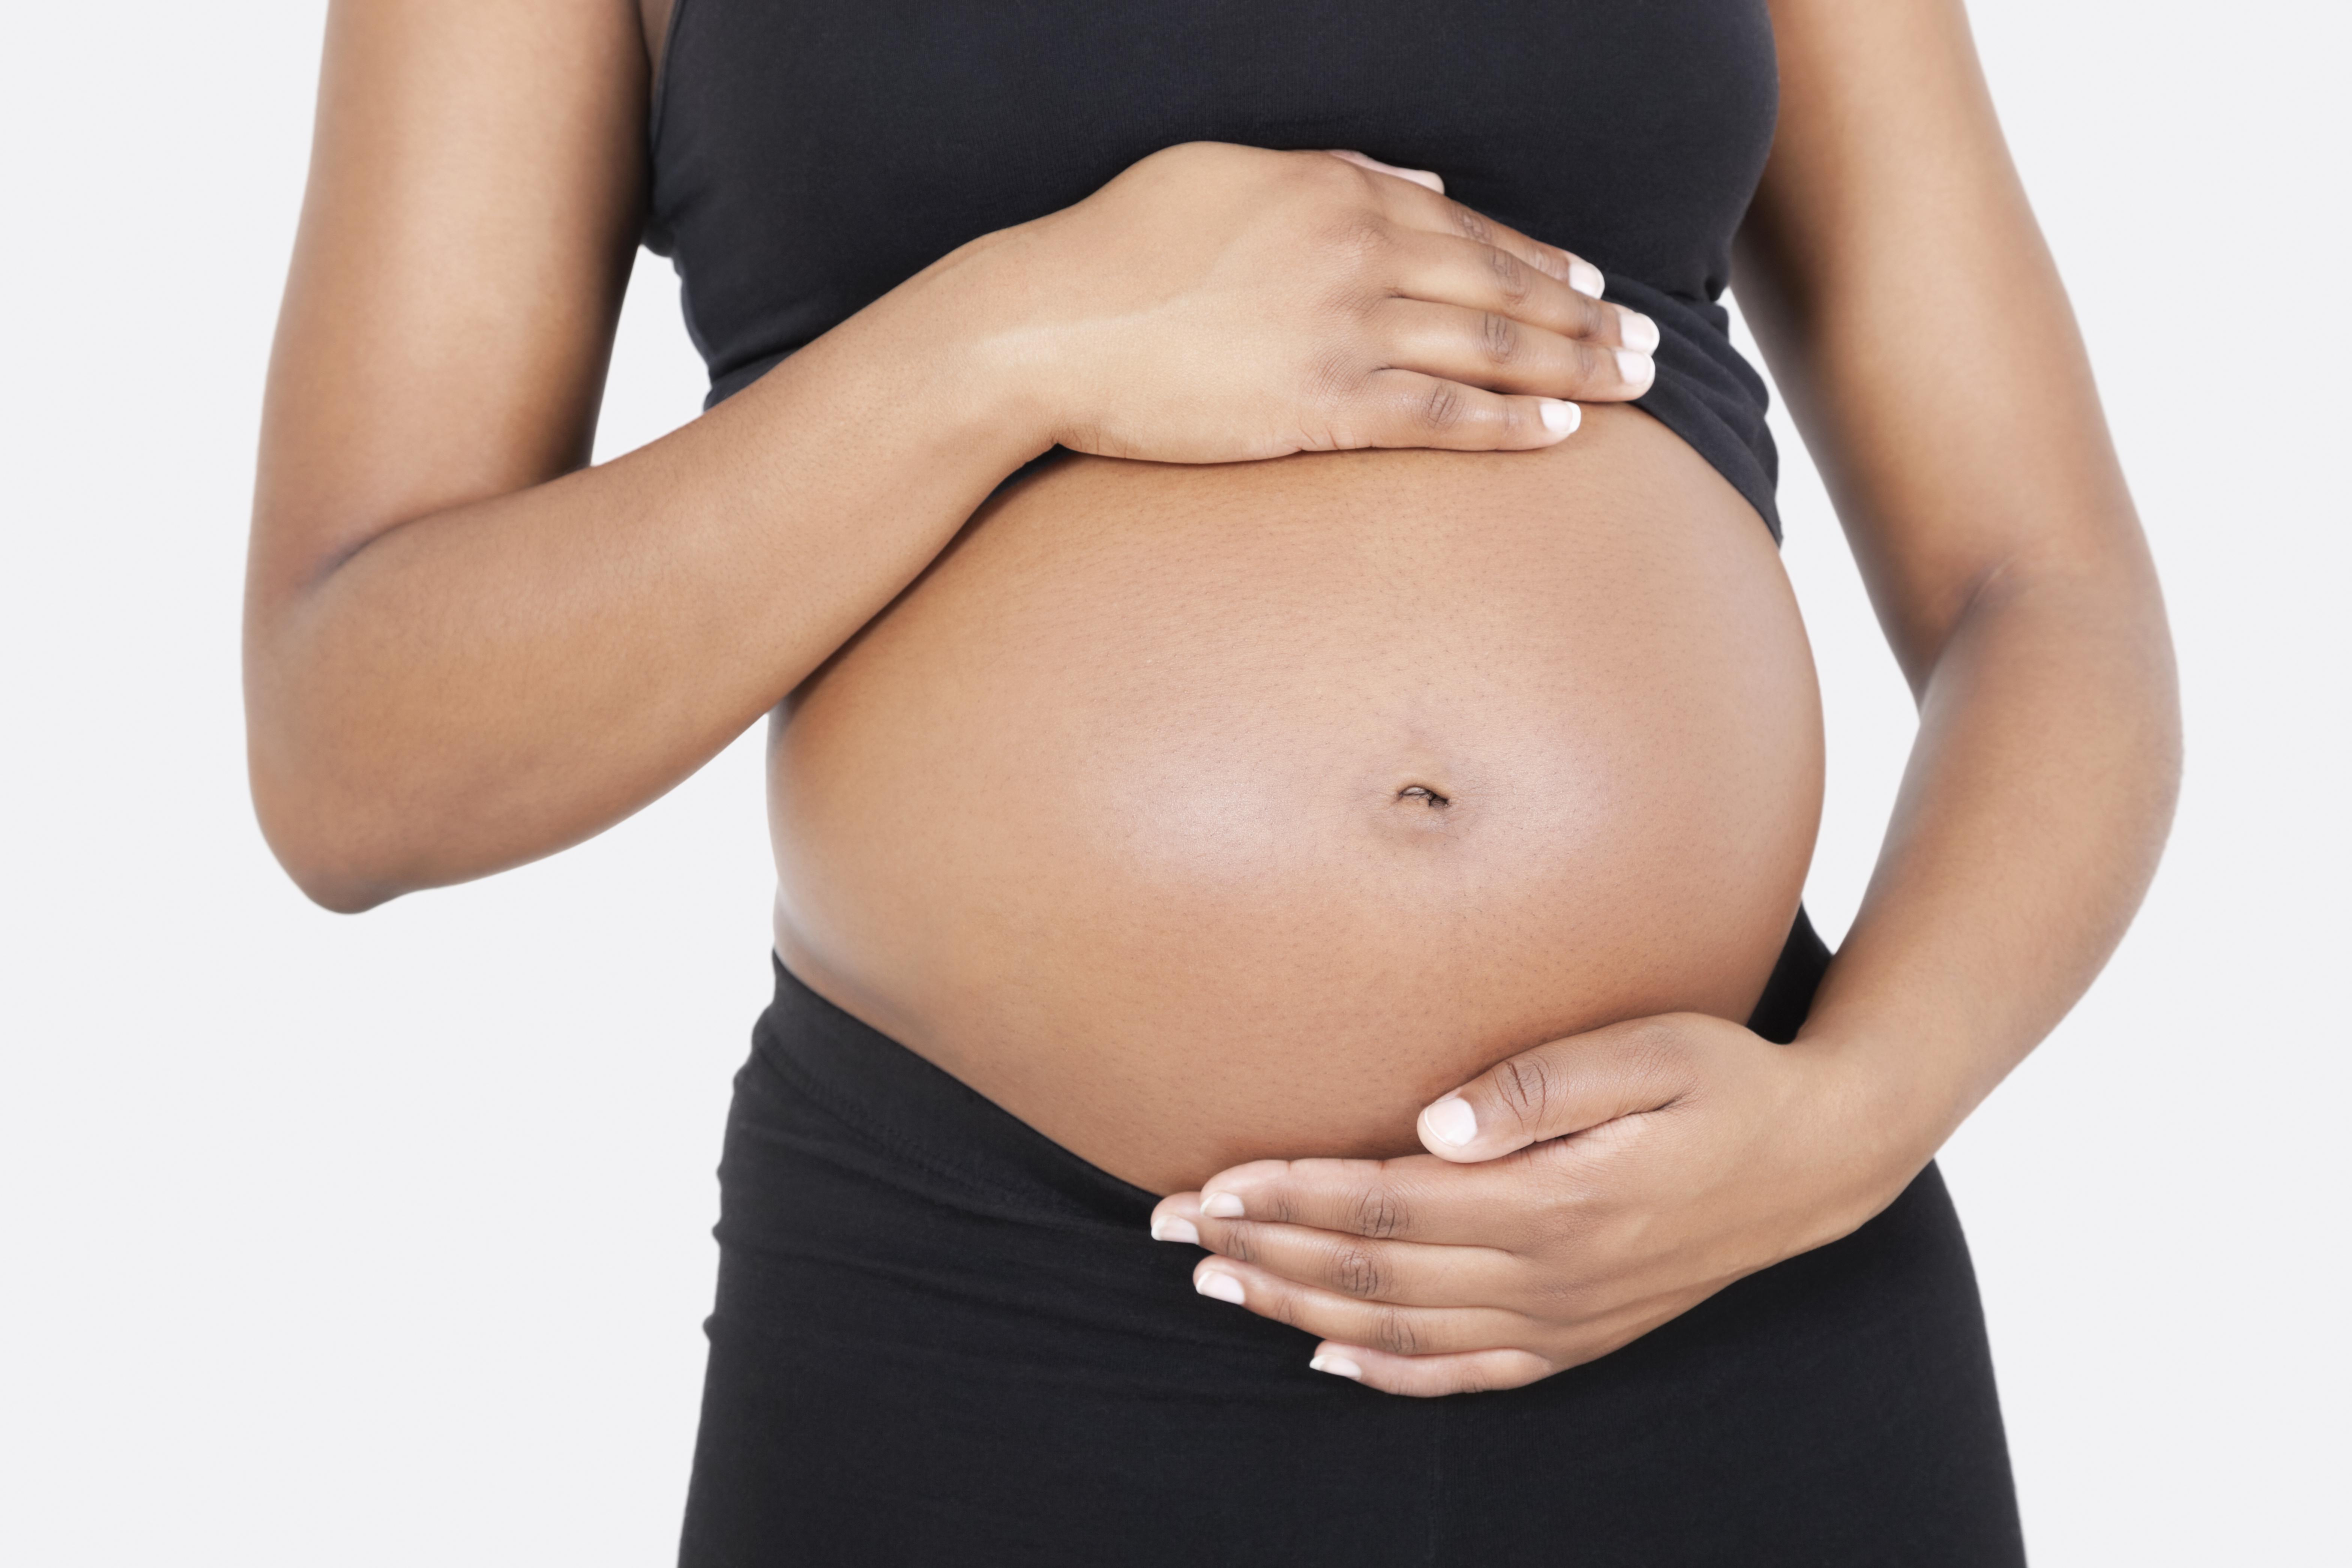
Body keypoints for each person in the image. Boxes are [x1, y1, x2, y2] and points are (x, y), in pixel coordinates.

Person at [244, 0, 2178, 1560]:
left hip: (1738, 1290)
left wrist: (1845, 1124)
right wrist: (1016, 340)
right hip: (991, 1332)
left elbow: (2049, 589)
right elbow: (352, 744)